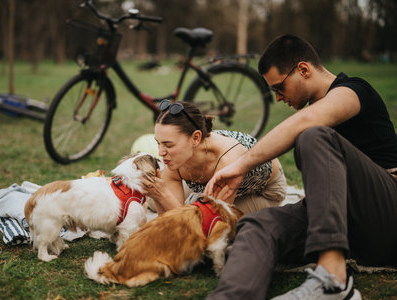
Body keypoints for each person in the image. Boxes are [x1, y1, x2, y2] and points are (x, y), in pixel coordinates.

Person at [204, 34, 397, 300]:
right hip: (343, 222)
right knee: (257, 225)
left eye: (279, 88)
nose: (279, 98)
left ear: (303, 70)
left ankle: (333, 281)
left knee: (312, 135)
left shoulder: (354, 90)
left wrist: (240, 166)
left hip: (386, 213)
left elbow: (306, 122)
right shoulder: (313, 113)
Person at [142, 99, 287, 216]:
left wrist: (163, 196)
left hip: (264, 192)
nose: (160, 152)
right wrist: (160, 197)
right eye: (158, 143)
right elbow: (167, 221)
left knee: (201, 216)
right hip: (208, 181)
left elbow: (207, 225)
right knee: (155, 201)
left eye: (168, 145)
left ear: (196, 138)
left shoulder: (227, 159)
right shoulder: (175, 159)